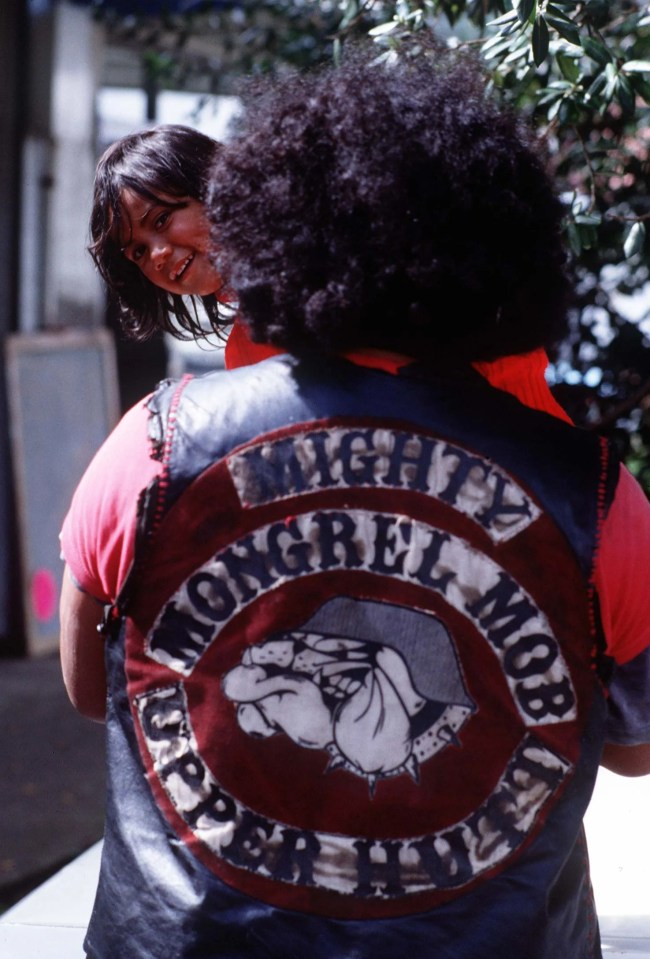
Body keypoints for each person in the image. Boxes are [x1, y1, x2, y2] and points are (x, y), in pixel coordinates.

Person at [60, 45, 650, 959]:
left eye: (168, 217)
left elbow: (89, 684)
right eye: (139, 249)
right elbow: (630, 738)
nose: (163, 256)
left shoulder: (161, 435)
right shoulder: (587, 482)